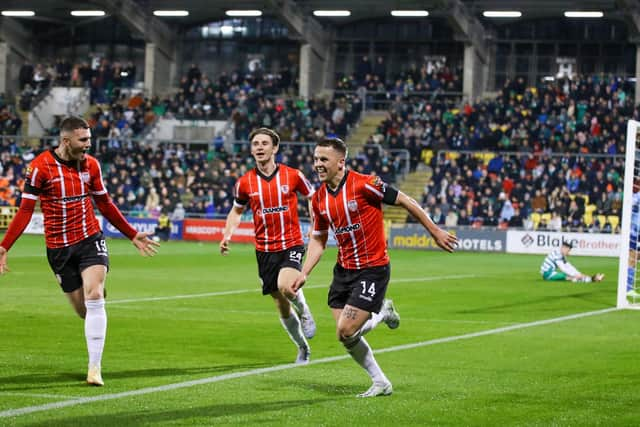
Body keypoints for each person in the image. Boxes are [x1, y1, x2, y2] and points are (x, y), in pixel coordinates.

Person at [291, 137, 458, 397]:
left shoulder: (365, 184)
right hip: (343, 270)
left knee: (346, 329)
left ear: (340, 162)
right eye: (315, 159)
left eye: (324, 159)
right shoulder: (318, 199)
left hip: (372, 268)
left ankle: (380, 312)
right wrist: (304, 272)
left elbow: (405, 200)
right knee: (345, 335)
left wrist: (434, 230)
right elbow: (318, 239)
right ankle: (380, 381)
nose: (318, 164)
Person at [0, 116, 159, 386]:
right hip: (59, 248)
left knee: (95, 294)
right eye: (83, 140)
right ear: (66, 140)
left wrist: (132, 234)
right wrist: (4, 247)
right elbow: (26, 210)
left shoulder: (91, 166)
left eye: (89, 139)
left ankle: (94, 369)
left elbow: (105, 203)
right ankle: (92, 300)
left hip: (90, 239)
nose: (88, 144)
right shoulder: (40, 168)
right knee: (84, 310)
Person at [219, 127, 317, 364]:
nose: (259, 147)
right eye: (255, 144)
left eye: (264, 143)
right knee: (281, 304)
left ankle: (305, 311)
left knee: (286, 286)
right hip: (264, 250)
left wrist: (316, 224)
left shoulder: (292, 175)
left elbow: (312, 198)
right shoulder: (245, 183)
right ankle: (302, 347)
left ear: (275, 148)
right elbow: (237, 210)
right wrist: (227, 234)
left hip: (291, 243)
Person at [540, 241, 604, 282]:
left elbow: (569, 266)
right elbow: (563, 269)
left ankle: (592, 278)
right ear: (563, 248)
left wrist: (578, 273)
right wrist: (575, 275)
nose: (568, 253)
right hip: (547, 274)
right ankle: (592, 279)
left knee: (572, 277)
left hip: (550, 273)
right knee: (570, 277)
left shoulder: (561, 254)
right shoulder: (557, 254)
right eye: (567, 250)